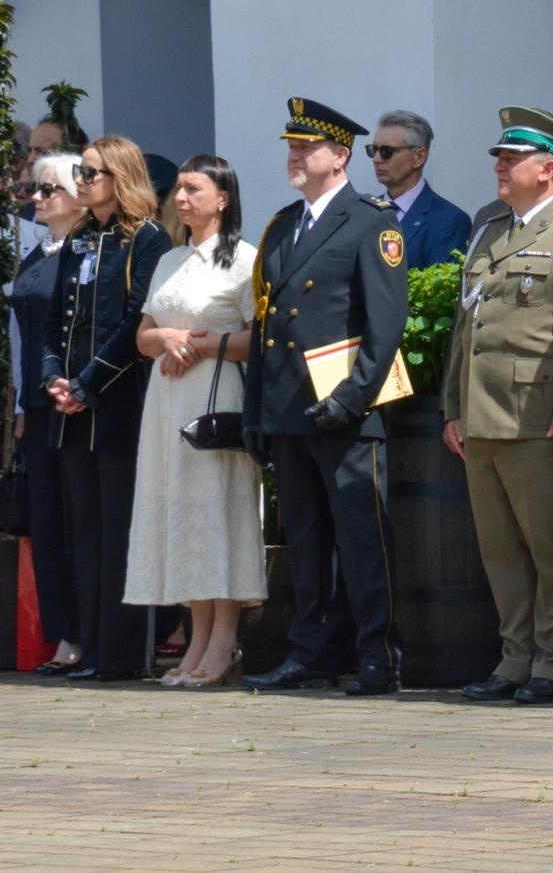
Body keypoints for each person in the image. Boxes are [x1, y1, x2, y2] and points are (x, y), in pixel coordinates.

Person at [441, 107, 553, 706]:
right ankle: (515, 658)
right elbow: (469, 328)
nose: (499, 166)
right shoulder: (491, 228)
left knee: (552, 547)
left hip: (539, 418)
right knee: (501, 550)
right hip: (484, 413)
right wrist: (453, 405)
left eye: (511, 158)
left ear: (547, 169)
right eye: (499, 156)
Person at [240, 98, 408, 698]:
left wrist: (352, 398)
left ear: (338, 157)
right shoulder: (284, 223)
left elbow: (385, 324)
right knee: (306, 542)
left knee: (363, 540)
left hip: (342, 411)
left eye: (305, 147)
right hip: (290, 409)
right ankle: (310, 651)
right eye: (290, 145)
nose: (293, 155)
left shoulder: (370, 222)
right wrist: (258, 409)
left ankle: (376, 655)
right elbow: (266, 325)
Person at [125, 154, 265, 687]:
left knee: (218, 513)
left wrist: (206, 346)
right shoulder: (168, 260)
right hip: (166, 400)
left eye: (193, 189)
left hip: (217, 395)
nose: (180, 198)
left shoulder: (246, 260)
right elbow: (143, 335)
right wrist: (165, 338)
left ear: (222, 198)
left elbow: (261, 341)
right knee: (181, 515)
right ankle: (196, 636)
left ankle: (224, 641)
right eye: (178, 190)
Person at [41, 136, 171, 682]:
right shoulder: (79, 239)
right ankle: (90, 644)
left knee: (120, 530)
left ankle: (119, 653)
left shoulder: (146, 238)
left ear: (119, 177)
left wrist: (88, 382)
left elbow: (134, 320)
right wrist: (54, 377)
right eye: (81, 172)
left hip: (117, 403)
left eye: (91, 173)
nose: (82, 182)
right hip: (71, 407)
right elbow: (55, 321)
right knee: (83, 533)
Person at [11, 153, 87, 674]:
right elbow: (22, 336)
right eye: (34, 189)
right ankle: (61, 634)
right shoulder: (37, 255)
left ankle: (87, 633)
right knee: (47, 524)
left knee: (80, 522)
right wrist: (20, 401)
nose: (37, 199)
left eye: (48, 189)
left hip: (79, 403)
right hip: (39, 406)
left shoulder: (88, 251)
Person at [368, 110, 470, 269]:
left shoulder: (448, 221)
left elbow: (439, 289)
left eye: (386, 151)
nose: (376, 159)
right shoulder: (365, 212)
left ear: (419, 157)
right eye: (373, 150)